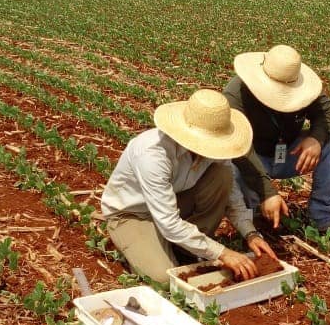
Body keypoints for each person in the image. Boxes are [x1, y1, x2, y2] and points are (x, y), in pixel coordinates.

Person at [101, 89, 277, 284]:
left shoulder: (216, 149)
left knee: (223, 175)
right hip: (134, 215)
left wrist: (250, 234)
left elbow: (232, 195)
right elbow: (168, 222)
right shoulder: (153, 154)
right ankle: (148, 242)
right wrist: (222, 253)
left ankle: (186, 247)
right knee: (164, 279)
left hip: (174, 202)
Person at [224, 45, 330, 245]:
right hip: (251, 157)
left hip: (289, 153)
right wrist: (267, 193)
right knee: (225, 160)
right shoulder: (237, 94)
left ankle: (324, 219)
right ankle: (252, 217)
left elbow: (328, 113)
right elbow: (237, 145)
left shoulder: (304, 87)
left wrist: (316, 139)